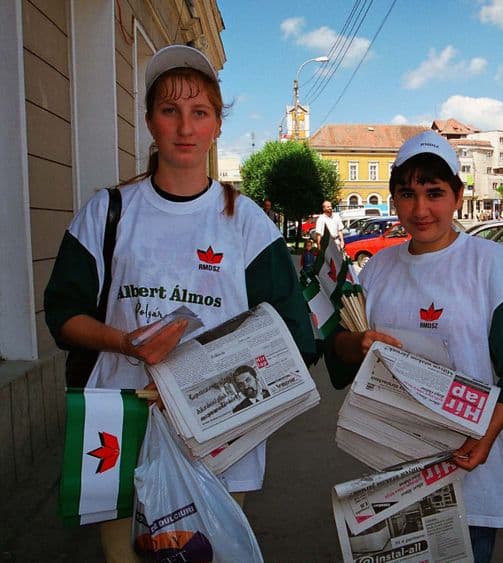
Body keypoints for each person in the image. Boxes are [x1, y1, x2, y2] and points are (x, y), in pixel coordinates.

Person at [43, 44, 316, 563]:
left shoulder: (247, 222)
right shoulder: (108, 212)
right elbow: (62, 316)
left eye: (200, 112)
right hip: (117, 429)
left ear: (217, 125)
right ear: (150, 121)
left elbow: (295, 340)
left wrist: (202, 386)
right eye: (170, 111)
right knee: (124, 555)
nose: (185, 128)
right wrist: (125, 343)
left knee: (204, 554)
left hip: (217, 435)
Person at [324, 130, 503, 563]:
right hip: (395, 469)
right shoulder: (378, 270)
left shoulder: (490, 265)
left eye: (434, 193)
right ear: (393, 198)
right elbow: (340, 355)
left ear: (458, 196)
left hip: (471, 471)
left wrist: (485, 437)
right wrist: (358, 342)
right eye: (407, 194)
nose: (420, 209)